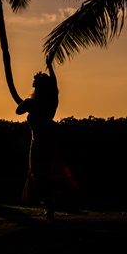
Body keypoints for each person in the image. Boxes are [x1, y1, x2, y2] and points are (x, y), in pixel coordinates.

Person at [16, 59, 80, 220]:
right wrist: (28, 102)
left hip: (45, 144)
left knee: (45, 174)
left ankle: (50, 204)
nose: (35, 88)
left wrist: (51, 67)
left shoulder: (50, 103)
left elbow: (54, 84)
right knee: (38, 175)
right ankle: (48, 203)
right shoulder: (34, 103)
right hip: (37, 144)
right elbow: (18, 110)